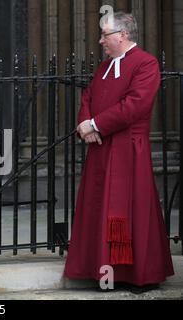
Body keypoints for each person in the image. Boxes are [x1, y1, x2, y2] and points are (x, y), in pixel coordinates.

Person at [64, 12, 174, 292]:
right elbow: (87, 97)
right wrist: (85, 124)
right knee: (99, 209)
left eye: (105, 35)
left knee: (131, 211)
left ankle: (137, 275)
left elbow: (135, 105)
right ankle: (101, 271)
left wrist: (96, 124)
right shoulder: (103, 68)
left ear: (123, 35)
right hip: (101, 149)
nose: (101, 41)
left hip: (129, 151)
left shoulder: (146, 64)